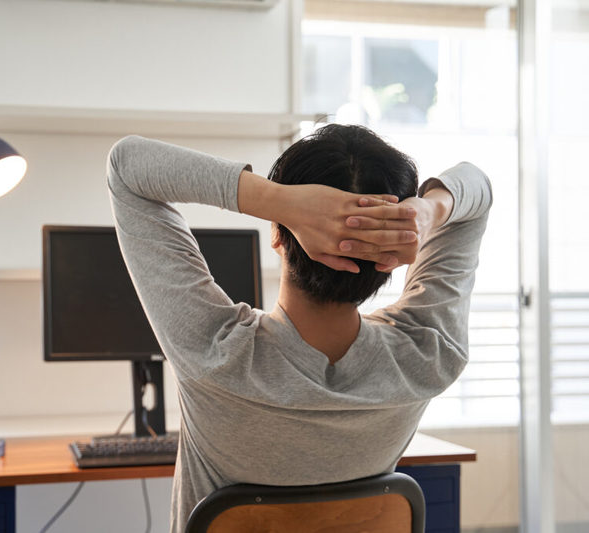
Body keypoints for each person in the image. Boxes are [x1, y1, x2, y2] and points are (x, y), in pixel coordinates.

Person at [106, 124, 492, 533]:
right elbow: (477, 191)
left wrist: (278, 201)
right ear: (395, 255)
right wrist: (427, 211)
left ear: (277, 233)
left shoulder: (214, 352)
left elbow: (127, 167)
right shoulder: (427, 356)